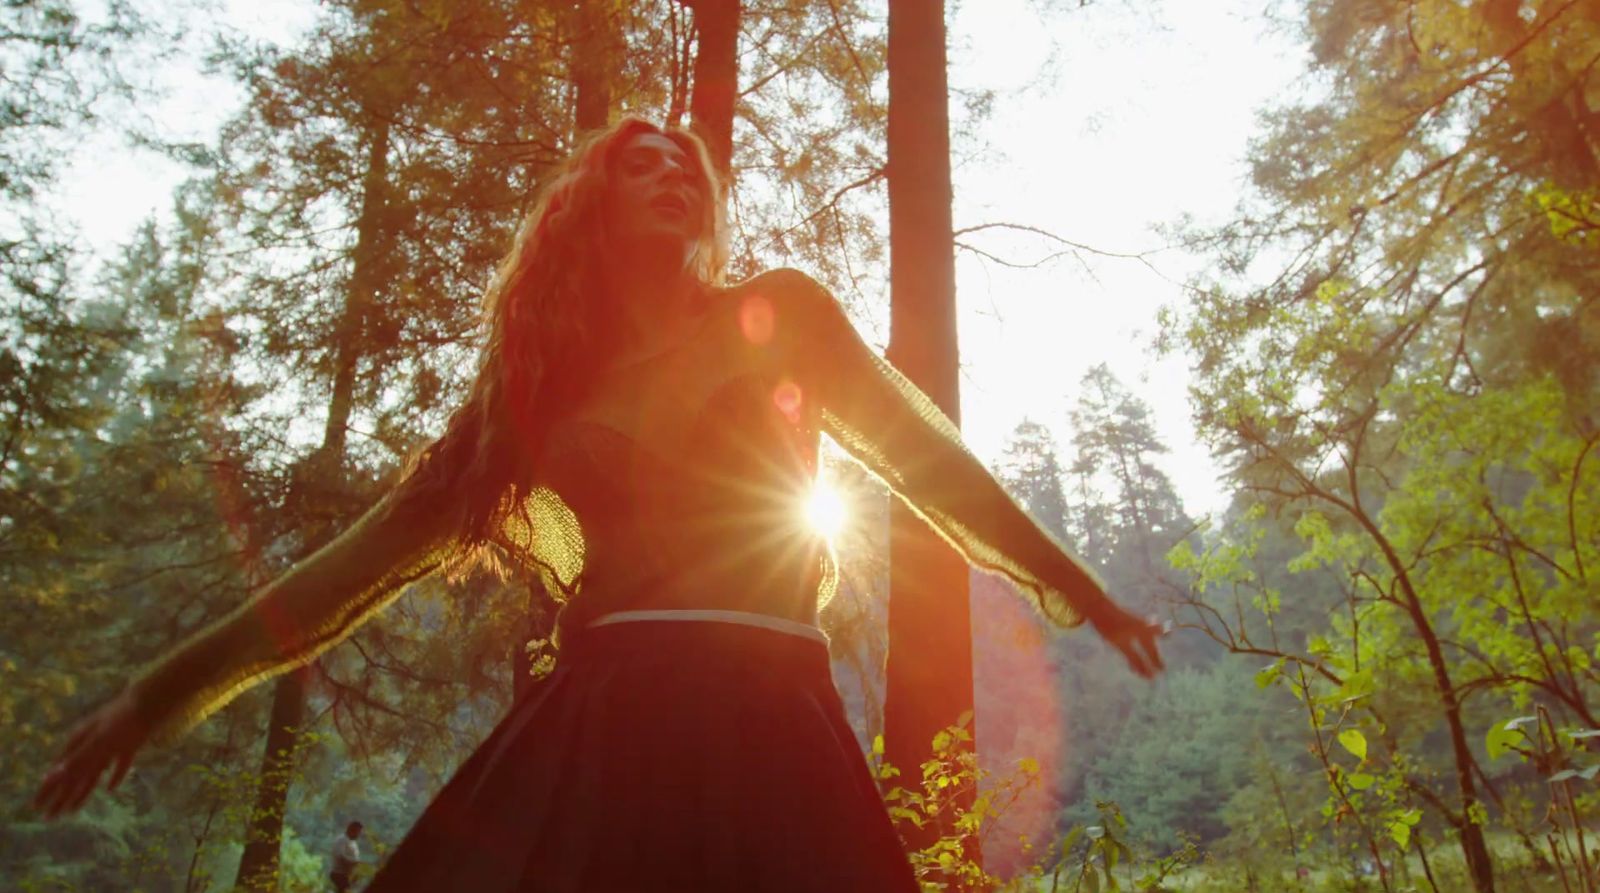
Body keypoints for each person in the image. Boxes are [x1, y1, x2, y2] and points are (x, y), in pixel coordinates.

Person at [33, 118, 1164, 890]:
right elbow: (350, 569)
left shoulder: (783, 310)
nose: (676, 169)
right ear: (591, 204)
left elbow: (932, 462)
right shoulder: (537, 393)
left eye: (690, 162)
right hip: (603, 721)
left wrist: (1080, 587)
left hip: (774, 712)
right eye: (641, 160)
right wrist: (155, 694)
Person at [331, 821, 364, 892]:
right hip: (339, 874)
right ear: (351, 829)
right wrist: (354, 862)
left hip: (348, 875)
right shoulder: (341, 840)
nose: (359, 834)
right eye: (358, 832)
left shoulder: (353, 842)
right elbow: (340, 856)